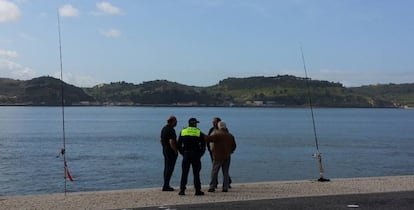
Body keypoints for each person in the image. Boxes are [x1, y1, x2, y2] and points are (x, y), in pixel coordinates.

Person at [177, 117, 206, 196]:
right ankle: (197, 190)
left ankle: (182, 190)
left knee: (184, 173)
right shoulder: (198, 132)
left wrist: (182, 153)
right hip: (195, 154)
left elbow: (179, 144)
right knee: (196, 173)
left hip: (186, 154)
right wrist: (200, 154)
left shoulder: (183, 131)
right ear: (195, 124)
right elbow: (203, 145)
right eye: (196, 123)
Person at [206, 121, 236, 192]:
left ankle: (212, 186)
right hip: (227, 156)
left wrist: (200, 134)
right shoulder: (230, 135)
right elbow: (234, 146)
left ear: (219, 126)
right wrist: (230, 151)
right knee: (225, 172)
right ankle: (225, 187)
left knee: (214, 171)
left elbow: (208, 138)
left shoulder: (217, 134)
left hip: (218, 156)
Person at [160, 116, 178, 191]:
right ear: (172, 121)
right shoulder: (171, 130)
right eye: (176, 121)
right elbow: (171, 142)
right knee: (170, 168)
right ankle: (166, 185)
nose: (177, 122)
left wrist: (164, 147)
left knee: (166, 167)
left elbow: (161, 140)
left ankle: (165, 184)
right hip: (170, 151)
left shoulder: (164, 128)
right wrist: (175, 150)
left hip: (165, 150)